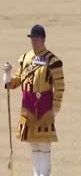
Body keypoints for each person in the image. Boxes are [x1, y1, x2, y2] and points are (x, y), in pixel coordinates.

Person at [2, 24, 65, 176]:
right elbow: (17, 80)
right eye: (32, 38)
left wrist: (55, 107)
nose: (34, 41)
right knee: (34, 146)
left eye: (37, 39)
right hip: (28, 108)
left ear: (43, 40)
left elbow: (60, 86)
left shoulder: (52, 60)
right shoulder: (25, 58)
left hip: (44, 108)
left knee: (44, 147)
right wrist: (8, 80)